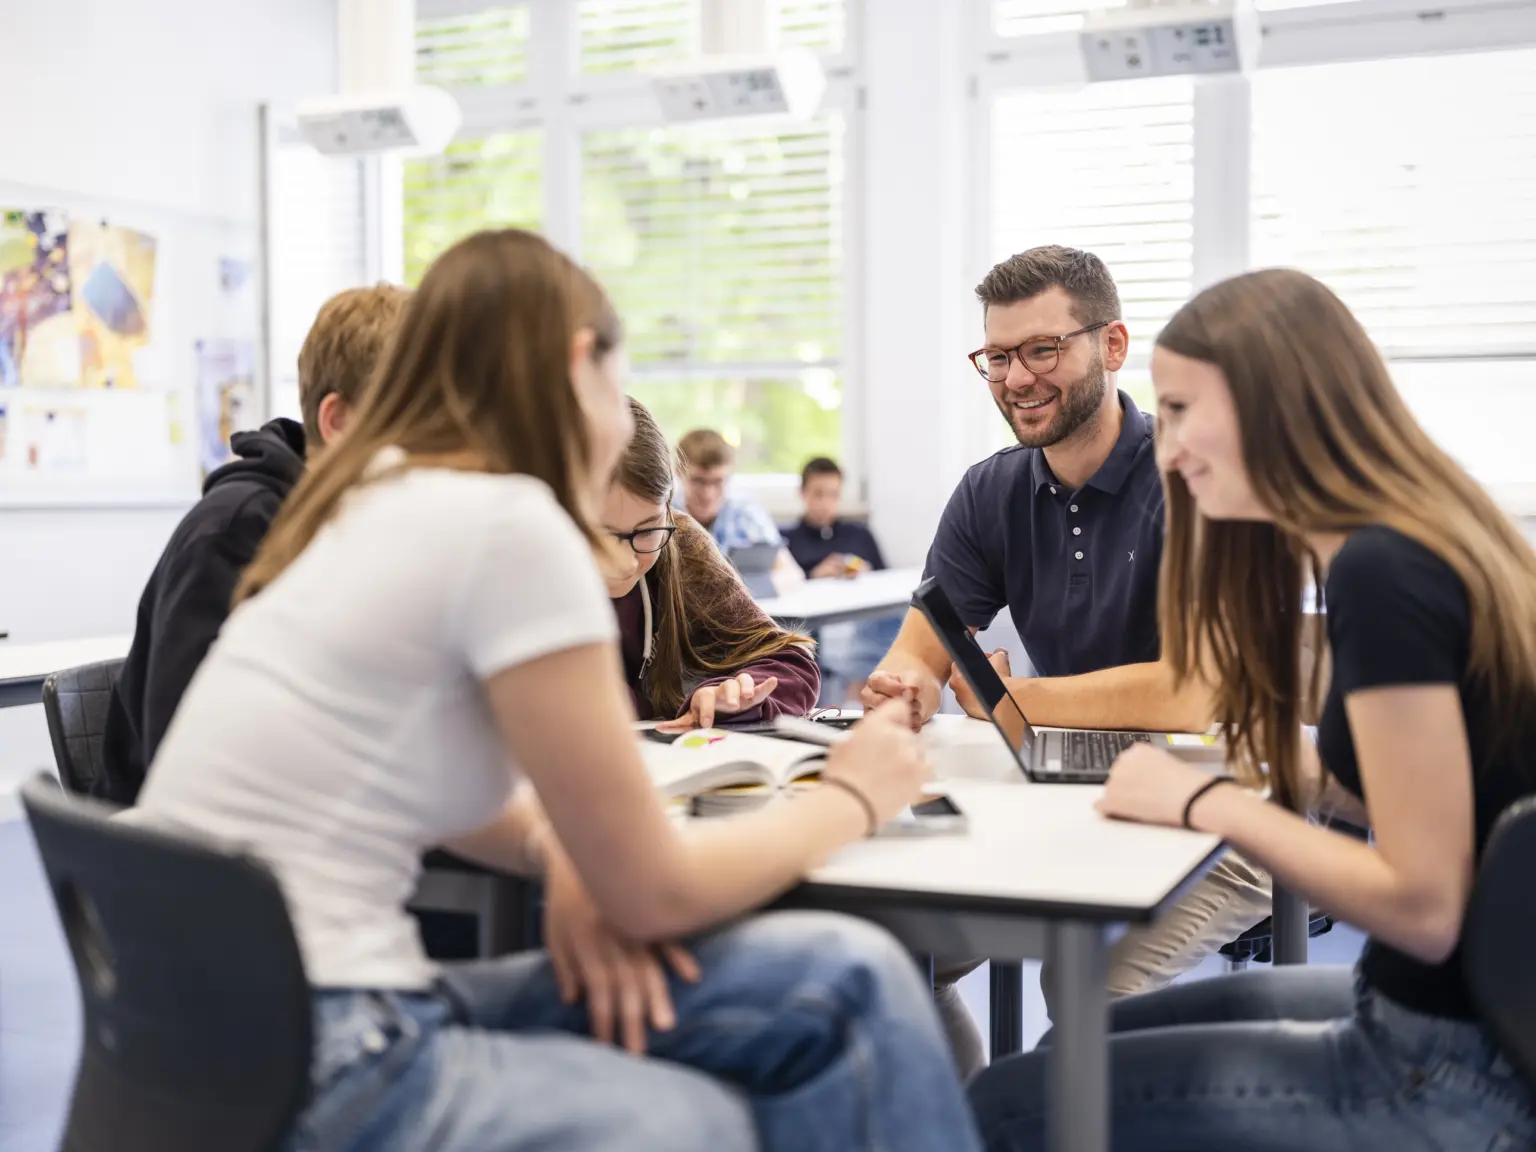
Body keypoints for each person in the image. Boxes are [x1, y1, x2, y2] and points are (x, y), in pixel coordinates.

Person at [133, 229, 982, 1152]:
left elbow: (406, 785)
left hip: (193, 1033)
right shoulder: (512, 528)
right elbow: (656, 893)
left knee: (835, 978)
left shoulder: (367, 500)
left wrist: (563, 848)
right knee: (777, 1052)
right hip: (331, 1046)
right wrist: (855, 794)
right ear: (584, 365)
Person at [968, 267, 1536, 1151]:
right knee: (1084, 1041)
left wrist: (1206, 801)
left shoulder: (1383, 576)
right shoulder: (1416, 538)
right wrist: (1261, 765)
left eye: (1187, 412)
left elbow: (1425, 904)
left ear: (1282, 409)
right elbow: (1442, 794)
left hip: (1450, 1057)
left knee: (1005, 1105)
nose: (1166, 446)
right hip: (1462, 1010)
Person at [862, 245, 1271, 1075]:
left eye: (1043, 350)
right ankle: (974, 1121)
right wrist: (904, 688)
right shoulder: (990, 491)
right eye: (999, 358)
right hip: (1071, 791)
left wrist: (1023, 704)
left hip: (1228, 807)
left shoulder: (1188, 476)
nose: (1017, 379)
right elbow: (921, 650)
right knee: (891, 964)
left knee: (1086, 992)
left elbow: (1196, 692)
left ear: (1113, 346)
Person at [98, 284, 409, 805]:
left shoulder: (368, 529)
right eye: (419, 420)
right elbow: (187, 762)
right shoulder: (235, 532)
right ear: (338, 422)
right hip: (176, 861)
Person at [603, 397, 820, 730]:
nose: (626, 561)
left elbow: (792, 664)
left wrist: (731, 695)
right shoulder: (526, 567)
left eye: (647, 530)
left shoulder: (681, 542)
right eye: (604, 535)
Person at [677, 426, 803, 592]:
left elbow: (792, 574)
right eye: (698, 481)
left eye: (718, 481)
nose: (708, 493)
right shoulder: (664, 515)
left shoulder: (745, 512)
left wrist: (742, 590)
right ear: (678, 472)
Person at [784, 456, 887, 580]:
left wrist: (867, 572)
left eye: (833, 494)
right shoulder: (785, 543)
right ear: (802, 492)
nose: (825, 503)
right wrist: (813, 576)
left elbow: (885, 578)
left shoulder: (861, 535)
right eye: (818, 494)